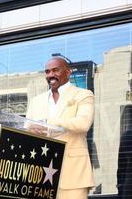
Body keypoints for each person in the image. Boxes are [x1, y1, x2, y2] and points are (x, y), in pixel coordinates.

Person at [26, 57, 95, 199]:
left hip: (73, 175)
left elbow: (83, 123)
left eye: (55, 70)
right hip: (40, 175)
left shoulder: (83, 94)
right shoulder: (36, 101)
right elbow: (28, 130)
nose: (50, 74)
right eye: (47, 71)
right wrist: (30, 130)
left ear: (68, 73)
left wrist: (48, 122)